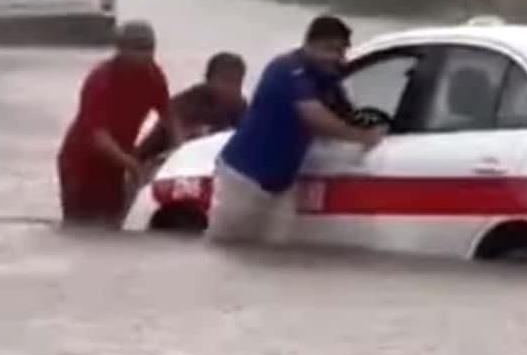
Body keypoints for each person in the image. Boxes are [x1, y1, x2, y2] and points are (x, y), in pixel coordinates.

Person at [206, 15, 384, 245]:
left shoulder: (326, 78)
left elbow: (347, 113)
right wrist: (361, 138)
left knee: (278, 256)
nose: (337, 58)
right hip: (243, 178)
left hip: (282, 186)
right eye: (332, 50)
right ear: (312, 45)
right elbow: (313, 115)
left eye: (342, 52)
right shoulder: (286, 69)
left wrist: (374, 127)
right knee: (226, 251)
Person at [56, 20, 182, 225]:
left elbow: (168, 116)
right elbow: (98, 135)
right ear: (120, 49)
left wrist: (180, 150)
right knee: (77, 227)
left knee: (113, 226)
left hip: (116, 163)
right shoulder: (100, 80)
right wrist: (130, 164)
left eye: (148, 48)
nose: (144, 55)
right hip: (81, 161)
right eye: (137, 48)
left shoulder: (154, 76)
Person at [135, 52, 248, 163]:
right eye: (225, 80)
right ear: (208, 80)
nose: (231, 88)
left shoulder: (239, 106)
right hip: (165, 161)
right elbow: (179, 146)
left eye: (237, 82)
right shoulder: (184, 105)